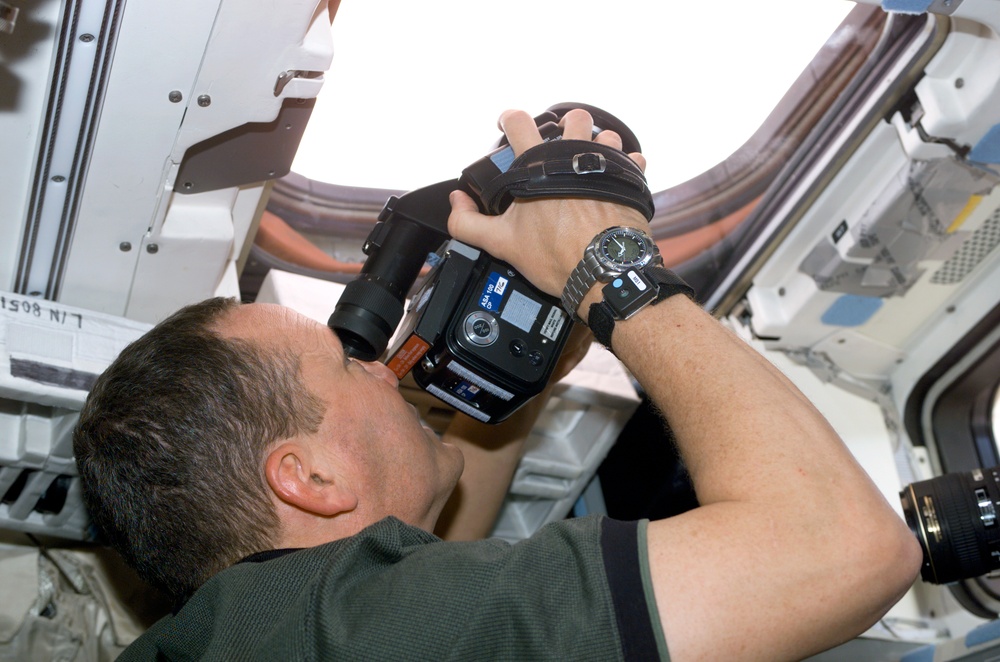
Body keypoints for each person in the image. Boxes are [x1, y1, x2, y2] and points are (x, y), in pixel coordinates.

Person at [73, 108, 922, 661]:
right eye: (347, 363)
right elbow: (846, 549)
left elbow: (449, 557)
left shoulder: (263, 630)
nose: (380, 370)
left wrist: (529, 364)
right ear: (308, 477)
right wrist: (608, 269)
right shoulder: (345, 630)